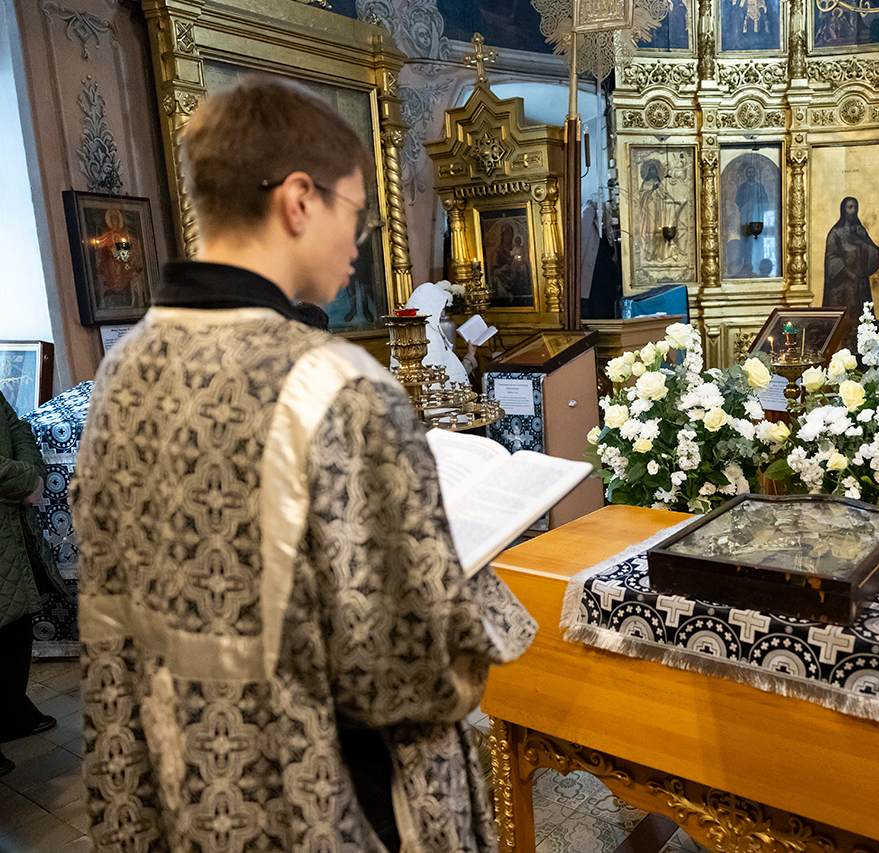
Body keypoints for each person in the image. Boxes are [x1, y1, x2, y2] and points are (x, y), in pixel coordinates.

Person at [70, 77, 536, 853]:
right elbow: (405, 671)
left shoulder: (124, 368)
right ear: (297, 201)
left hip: (185, 782)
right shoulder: (336, 387)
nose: (357, 246)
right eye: (355, 214)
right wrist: (472, 605)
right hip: (324, 795)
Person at [0, 393, 63, 777]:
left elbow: (17, 426)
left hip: (10, 521)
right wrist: (24, 479)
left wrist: (32, 473)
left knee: (15, 627)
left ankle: (10, 714)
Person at [823, 196, 879, 348]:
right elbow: (831, 260)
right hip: (842, 288)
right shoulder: (835, 233)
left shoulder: (860, 231)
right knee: (845, 325)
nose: (853, 210)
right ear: (843, 209)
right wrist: (847, 271)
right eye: (850, 207)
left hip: (860, 287)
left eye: (855, 207)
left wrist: (861, 244)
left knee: (861, 323)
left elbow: (874, 252)